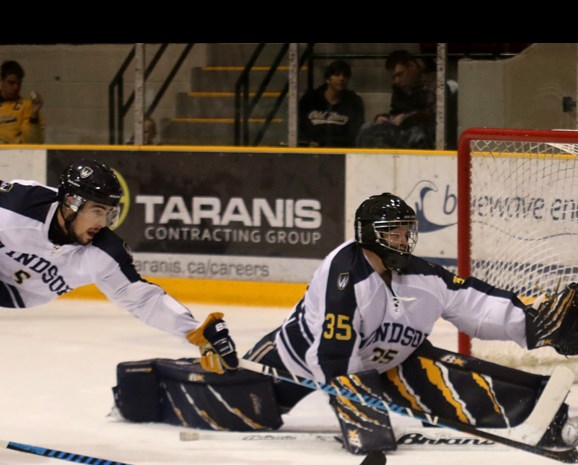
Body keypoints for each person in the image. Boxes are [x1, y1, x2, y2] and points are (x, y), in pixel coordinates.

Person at [243, 193, 578, 453]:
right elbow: (332, 360)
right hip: (293, 362)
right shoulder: (344, 277)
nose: (403, 241)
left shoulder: (422, 276)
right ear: (369, 234)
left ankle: (547, 418)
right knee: (236, 407)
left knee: (456, 378)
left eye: (406, 231)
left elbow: (474, 304)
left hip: (389, 363)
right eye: (393, 233)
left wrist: (533, 324)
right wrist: (362, 411)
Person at [0, 160, 240, 376]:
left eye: (108, 213)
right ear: (71, 203)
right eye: (97, 211)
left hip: (19, 294)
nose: (102, 223)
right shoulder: (16, 208)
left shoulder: (105, 253)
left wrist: (197, 332)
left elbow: (142, 300)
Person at [357, 51, 442, 150]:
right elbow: (395, 111)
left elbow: (436, 117)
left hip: (425, 132)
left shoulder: (434, 84)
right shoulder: (399, 89)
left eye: (400, 74)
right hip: (403, 129)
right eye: (393, 78)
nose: (397, 81)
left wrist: (407, 117)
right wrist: (384, 118)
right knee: (366, 129)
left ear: (411, 66)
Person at [298, 59, 365, 148]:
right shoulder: (310, 99)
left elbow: (355, 132)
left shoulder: (354, 101)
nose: (341, 78)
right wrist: (307, 141)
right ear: (327, 79)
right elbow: (299, 126)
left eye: (345, 75)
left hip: (341, 150)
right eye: (337, 75)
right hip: (311, 150)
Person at [0, 60, 44, 144]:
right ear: (1, 81)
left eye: (19, 83)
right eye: (11, 83)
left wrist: (34, 117)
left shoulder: (27, 106)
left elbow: (34, 143)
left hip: (15, 154)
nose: (16, 87)